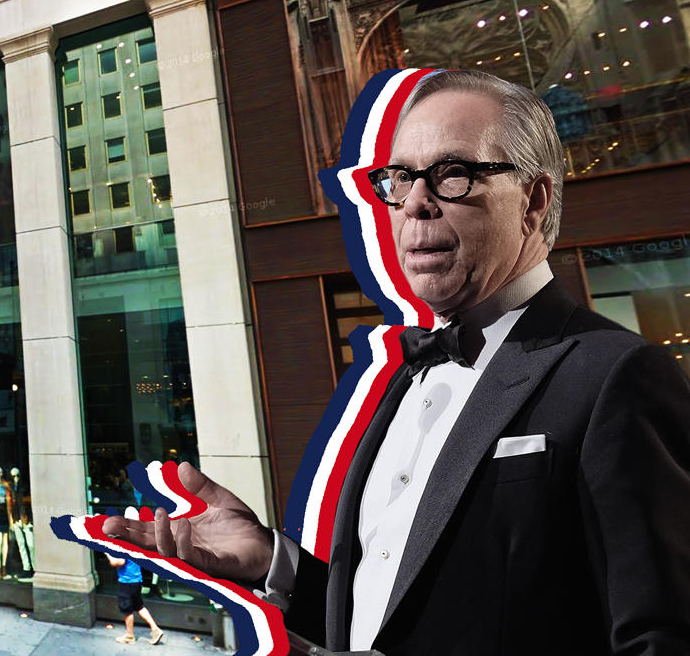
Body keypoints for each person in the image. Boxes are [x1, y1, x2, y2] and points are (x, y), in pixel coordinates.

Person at [102, 69, 690, 655]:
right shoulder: (404, 380)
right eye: (400, 179)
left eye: (452, 175)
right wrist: (269, 559)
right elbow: (398, 612)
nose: (414, 204)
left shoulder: (620, 375)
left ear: (533, 200)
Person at [107, 509, 164, 645]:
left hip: (126, 581)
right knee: (139, 606)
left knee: (127, 609)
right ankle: (155, 630)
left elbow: (118, 562)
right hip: (137, 579)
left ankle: (130, 636)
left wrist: (107, 552)